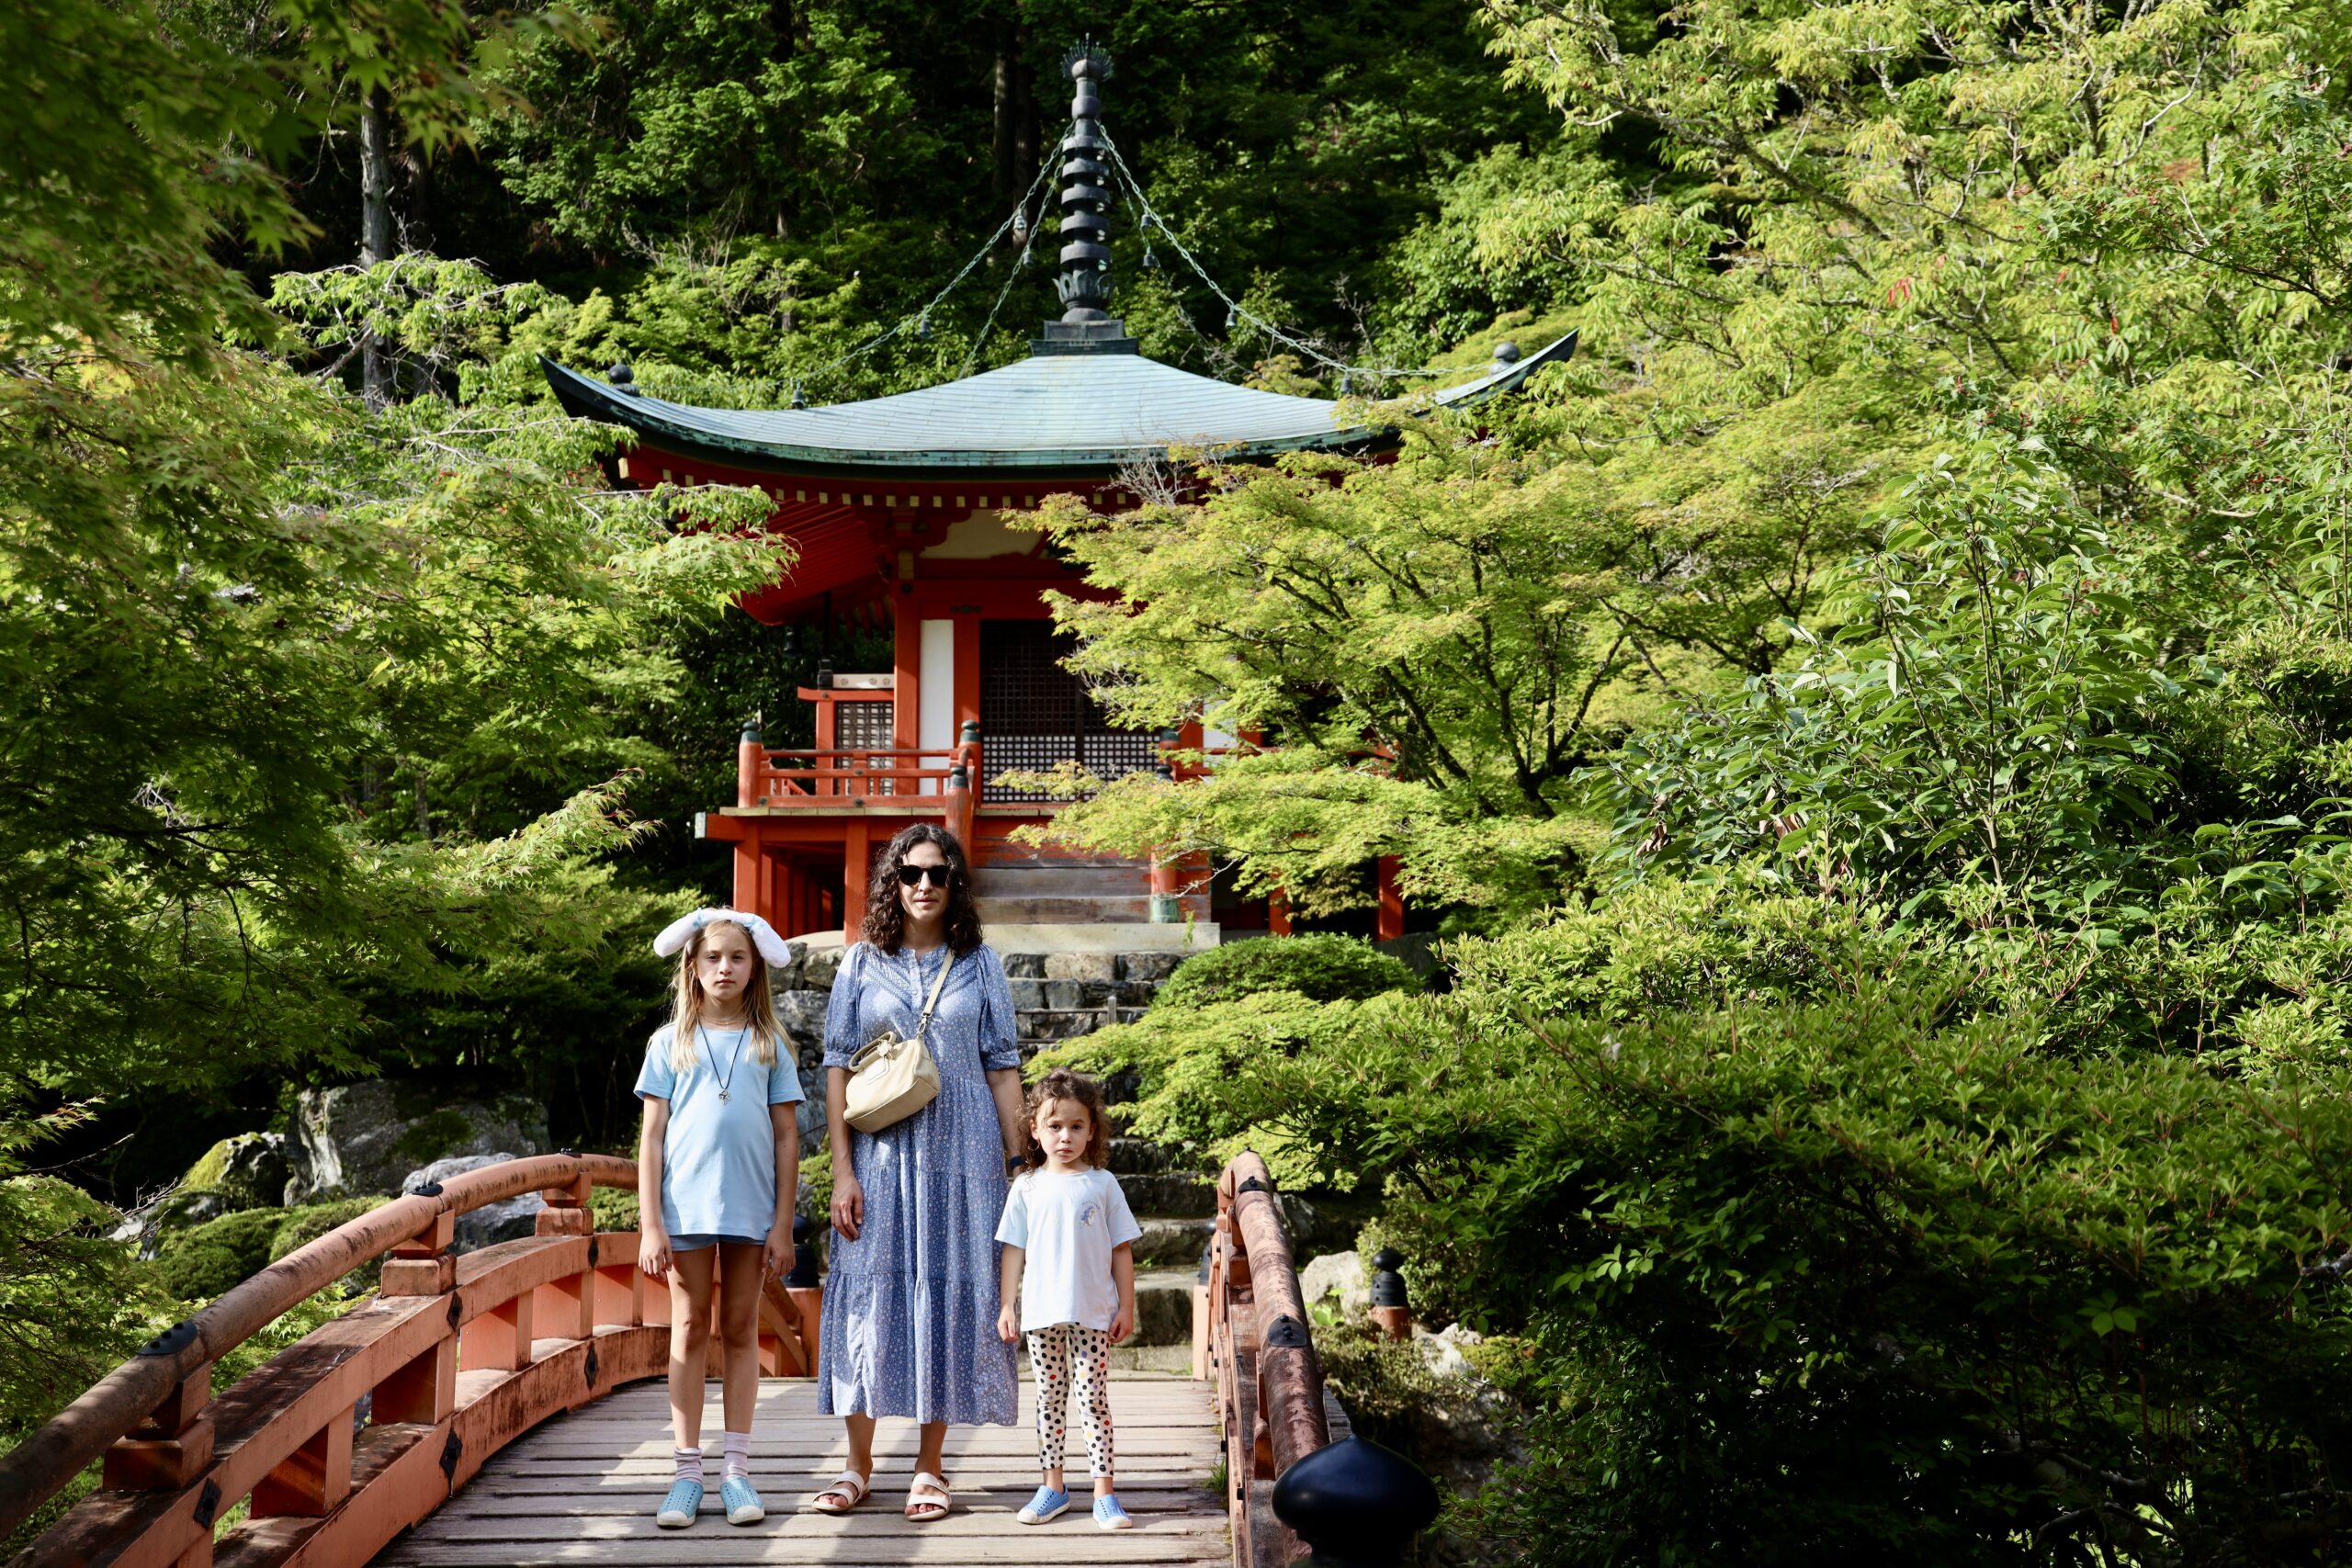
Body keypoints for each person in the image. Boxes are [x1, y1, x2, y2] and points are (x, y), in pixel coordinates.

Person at [810, 824, 1028, 1523]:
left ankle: (930, 1464)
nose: (925, 885)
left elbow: (1002, 1066)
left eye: (938, 873)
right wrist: (842, 1170)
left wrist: (1019, 1161)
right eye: (911, 874)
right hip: (878, 1154)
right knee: (869, 1291)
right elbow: (838, 1062)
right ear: (892, 883)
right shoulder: (860, 962)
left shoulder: (981, 962)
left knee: (947, 1287)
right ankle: (857, 1462)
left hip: (965, 1157)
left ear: (955, 882)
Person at [634, 908, 804, 1529]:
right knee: (688, 1326)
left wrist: (782, 1224)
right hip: (686, 1209)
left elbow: (788, 1137)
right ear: (693, 966)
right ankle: (686, 1471)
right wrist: (651, 1223)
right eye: (712, 957)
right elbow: (651, 1137)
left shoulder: (770, 1044)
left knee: (739, 1328)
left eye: (735, 956)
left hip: (751, 1209)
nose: (724, 967)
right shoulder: (668, 1042)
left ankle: (736, 1468)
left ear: (754, 964)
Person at [996, 1068, 1142, 1530]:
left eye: (1076, 1126)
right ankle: (1053, 1486)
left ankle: (1105, 1492)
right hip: (1041, 1315)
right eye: (1054, 1126)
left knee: (1093, 1399)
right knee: (1048, 1400)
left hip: (1093, 1314)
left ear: (1091, 1130)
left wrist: (1127, 1305)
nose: (1065, 1136)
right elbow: (1013, 1250)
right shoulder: (1027, 1186)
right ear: (1035, 1131)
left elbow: (1121, 1248)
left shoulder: (1102, 1184)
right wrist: (1007, 1305)